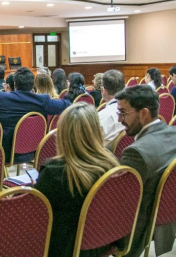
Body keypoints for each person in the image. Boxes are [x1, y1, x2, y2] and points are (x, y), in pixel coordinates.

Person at [35, 102, 120, 257]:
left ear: (62, 134)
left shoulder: (54, 172)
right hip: (101, 242)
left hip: (64, 248)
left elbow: (36, 215)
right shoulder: (112, 163)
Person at [116, 85, 176, 257]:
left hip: (136, 230)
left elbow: (117, 200)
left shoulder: (136, 153)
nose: (119, 120)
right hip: (168, 217)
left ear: (143, 113)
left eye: (123, 113)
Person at [0, 67, 71, 160]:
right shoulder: (42, 100)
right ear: (33, 85)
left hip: (3, 153)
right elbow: (67, 105)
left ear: (15, 84)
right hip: (35, 151)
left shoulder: (1, 97)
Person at [98, 69, 126, 146]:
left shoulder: (99, 118)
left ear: (103, 90)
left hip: (104, 156)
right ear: (125, 87)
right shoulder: (135, 112)